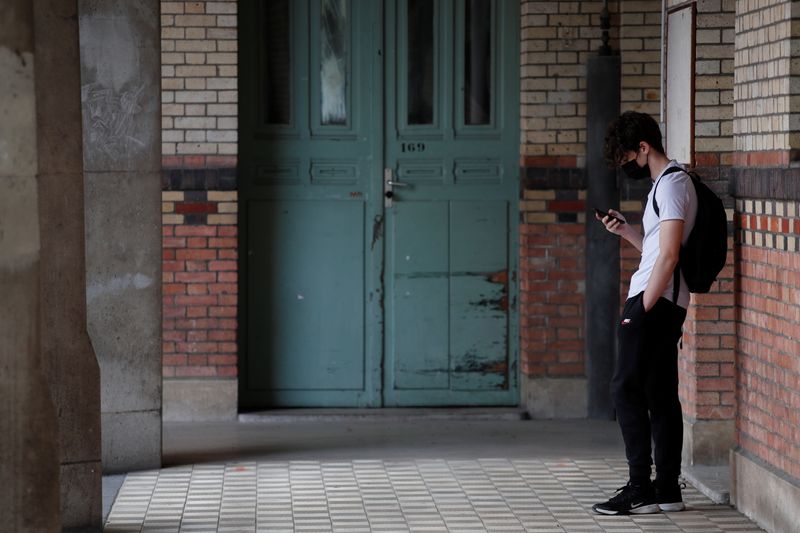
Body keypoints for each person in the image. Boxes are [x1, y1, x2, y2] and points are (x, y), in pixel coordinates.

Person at [592, 111, 697, 515]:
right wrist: (627, 232)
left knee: (624, 390)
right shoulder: (667, 185)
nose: (627, 168)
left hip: (654, 301)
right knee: (659, 394)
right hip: (664, 299)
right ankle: (667, 489)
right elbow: (657, 250)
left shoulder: (671, 186)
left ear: (644, 147)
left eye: (628, 159)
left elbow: (669, 256)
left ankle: (639, 488)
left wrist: (641, 309)